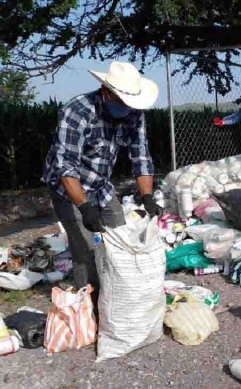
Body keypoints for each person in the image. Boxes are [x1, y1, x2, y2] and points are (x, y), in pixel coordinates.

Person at [41, 61, 163, 297]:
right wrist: (85, 207)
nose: (126, 108)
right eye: (121, 101)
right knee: (85, 249)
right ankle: (90, 304)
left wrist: (147, 195)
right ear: (106, 92)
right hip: (69, 188)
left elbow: (141, 155)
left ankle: (117, 296)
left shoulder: (133, 112)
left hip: (101, 185)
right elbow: (65, 166)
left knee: (121, 239)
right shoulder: (77, 112)